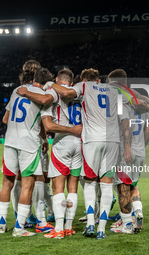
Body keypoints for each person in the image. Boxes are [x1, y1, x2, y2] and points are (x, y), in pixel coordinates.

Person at [42, 68, 126, 239]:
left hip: (90, 140)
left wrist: (50, 83)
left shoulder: (83, 88)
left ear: (83, 80)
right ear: (98, 80)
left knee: (88, 182)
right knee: (106, 184)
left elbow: (65, 92)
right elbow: (125, 115)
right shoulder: (112, 89)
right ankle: (101, 228)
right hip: (112, 140)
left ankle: (86, 224)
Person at [17, 69, 82, 238]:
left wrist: (70, 131)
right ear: (71, 83)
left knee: (58, 186)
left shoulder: (52, 93)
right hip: (79, 144)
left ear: (57, 80)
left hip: (63, 143)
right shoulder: (78, 94)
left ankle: (59, 229)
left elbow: (49, 126)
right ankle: (69, 227)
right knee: (73, 188)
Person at [0, 68, 51, 237]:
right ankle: (19, 228)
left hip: (10, 142)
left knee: (7, 184)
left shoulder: (17, 90)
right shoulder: (43, 97)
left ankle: (1, 225)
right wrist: (44, 140)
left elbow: (5, 119)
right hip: (28, 144)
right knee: (27, 185)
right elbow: (43, 125)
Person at [107, 69, 149, 234]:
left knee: (122, 187)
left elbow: (125, 125)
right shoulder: (140, 102)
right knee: (133, 184)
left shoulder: (121, 101)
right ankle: (137, 211)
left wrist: (127, 147)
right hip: (140, 150)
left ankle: (126, 224)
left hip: (125, 150)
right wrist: (142, 146)